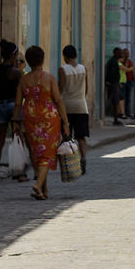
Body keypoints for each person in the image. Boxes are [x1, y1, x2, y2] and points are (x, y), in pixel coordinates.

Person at [13, 44, 69, 200]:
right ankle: (38, 184)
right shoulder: (49, 78)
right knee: (47, 154)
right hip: (49, 119)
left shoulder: (24, 80)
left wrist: (15, 121)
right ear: (42, 59)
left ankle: (44, 190)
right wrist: (66, 122)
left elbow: (18, 103)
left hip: (30, 118)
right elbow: (58, 101)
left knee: (37, 152)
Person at [0, 39, 26, 184]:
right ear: (13, 55)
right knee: (18, 138)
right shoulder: (17, 73)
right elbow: (23, 92)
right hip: (14, 107)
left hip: (1, 105)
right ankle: (20, 173)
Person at [58, 45, 89, 174]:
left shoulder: (63, 69)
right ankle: (83, 159)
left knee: (66, 135)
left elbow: (61, 88)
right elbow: (86, 89)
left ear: (64, 56)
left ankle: (69, 162)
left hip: (67, 106)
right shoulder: (83, 68)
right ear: (76, 55)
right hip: (81, 105)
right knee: (81, 136)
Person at [105, 47, 124, 125]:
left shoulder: (114, 61)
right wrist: (114, 82)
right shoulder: (113, 62)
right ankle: (115, 119)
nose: (121, 54)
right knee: (114, 101)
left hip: (114, 83)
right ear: (115, 53)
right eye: (120, 52)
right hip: (113, 84)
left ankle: (116, 118)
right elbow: (112, 74)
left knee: (117, 100)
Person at [120, 48, 135, 119]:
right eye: (125, 53)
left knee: (129, 98)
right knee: (123, 98)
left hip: (129, 81)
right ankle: (123, 112)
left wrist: (134, 80)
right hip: (122, 82)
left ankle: (128, 112)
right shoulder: (121, 62)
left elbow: (132, 72)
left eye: (128, 53)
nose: (127, 55)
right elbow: (127, 69)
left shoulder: (130, 62)